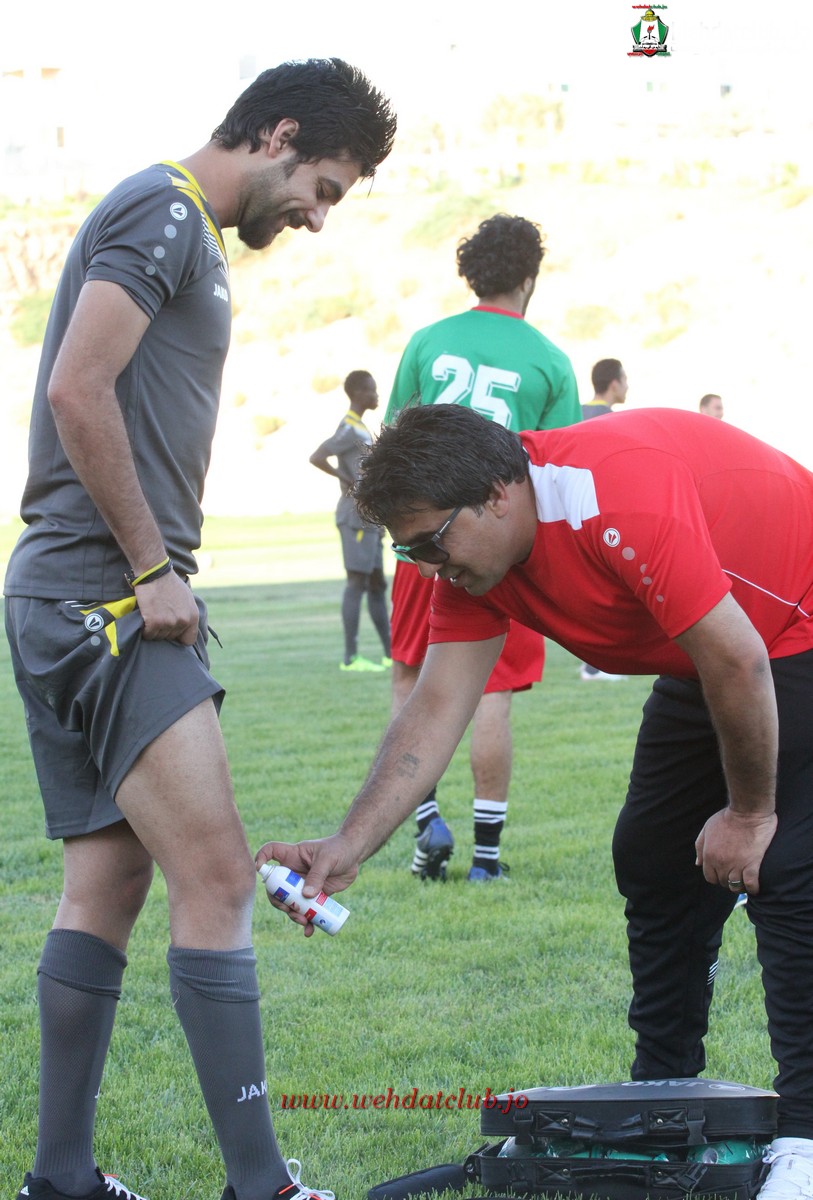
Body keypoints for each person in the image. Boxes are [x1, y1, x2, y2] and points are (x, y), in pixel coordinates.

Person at [4, 58, 396, 1200]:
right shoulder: (163, 210)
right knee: (219, 880)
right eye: (322, 187)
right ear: (277, 135)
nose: (317, 217)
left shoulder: (184, 229)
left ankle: (61, 1183)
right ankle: (262, 1188)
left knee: (105, 891)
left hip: (69, 593)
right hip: (105, 594)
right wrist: (150, 569)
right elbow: (78, 387)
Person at [260, 401, 813, 1200]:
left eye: (429, 542)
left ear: (497, 494)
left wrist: (749, 816)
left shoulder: (612, 497)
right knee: (650, 856)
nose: (425, 567)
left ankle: (804, 1136)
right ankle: (661, 1098)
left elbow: (740, 661)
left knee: (784, 867)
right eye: (406, 551)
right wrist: (348, 843)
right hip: (714, 653)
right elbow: (435, 705)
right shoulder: (475, 563)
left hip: (793, 625)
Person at [385, 213, 581, 882]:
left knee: (410, 678)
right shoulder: (549, 360)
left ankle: (424, 822)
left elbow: (392, 445)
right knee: (492, 692)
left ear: (470, 273)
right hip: (499, 550)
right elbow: (554, 471)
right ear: (529, 277)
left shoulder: (428, 340)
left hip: (423, 544)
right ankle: (487, 858)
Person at [309, 369, 391, 672]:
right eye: (372, 390)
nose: (376, 395)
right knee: (357, 583)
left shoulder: (362, 428)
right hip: (354, 517)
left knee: (377, 584)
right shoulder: (349, 427)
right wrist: (343, 477)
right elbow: (318, 456)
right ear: (357, 394)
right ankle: (351, 658)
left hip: (370, 519)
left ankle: (391, 654)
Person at [578, 358, 629, 681]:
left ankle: (592, 664)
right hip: (598, 514)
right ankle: (595, 666)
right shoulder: (612, 421)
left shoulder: (574, 413)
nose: (628, 385)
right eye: (625, 379)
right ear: (614, 383)